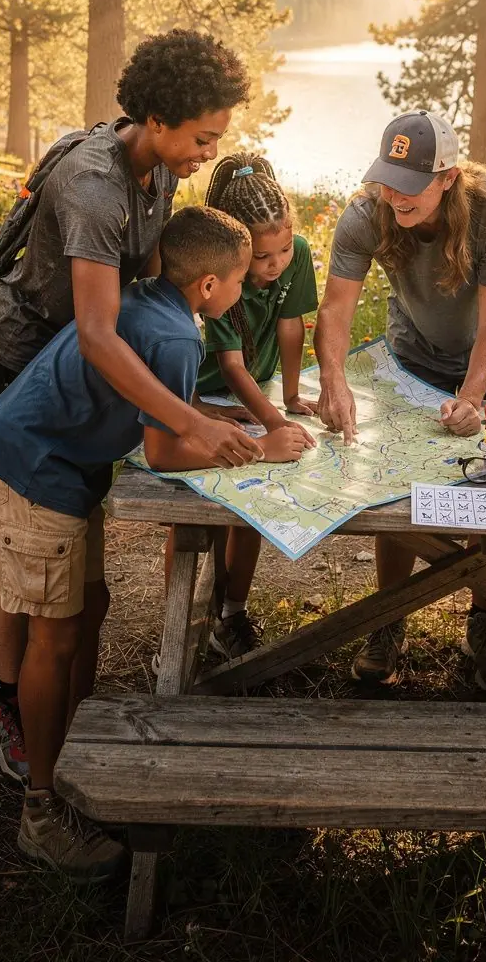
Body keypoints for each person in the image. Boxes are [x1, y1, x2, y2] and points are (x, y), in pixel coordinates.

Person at [0, 29, 263, 783]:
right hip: (25, 351)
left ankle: (56, 694)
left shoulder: (157, 167)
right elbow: (100, 334)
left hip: (75, 356)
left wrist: (194, 393)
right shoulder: (95, 187)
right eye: (203, 138)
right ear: (157, 120)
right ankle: (11, 703)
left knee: (68, 533)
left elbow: (157, 288)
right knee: (28, 531)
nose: (209, 154)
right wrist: (191, 422)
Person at [0, 206, 260, 879]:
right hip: (35, 468)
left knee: (89, 608)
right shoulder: (180, 339)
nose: (243, 290)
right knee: (55, 637)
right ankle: (41, 811)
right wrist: (261, 449)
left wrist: (214, 416)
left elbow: (156, 399)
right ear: (209, 286)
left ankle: (70, 751)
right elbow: (162, 452)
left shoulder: (148, 299)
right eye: (240, 279)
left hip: (65, 466)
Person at [314, 111, 486, 692]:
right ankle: (389, 619)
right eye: (388, 179)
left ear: (448, 178)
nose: (395, 195)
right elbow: (335, 308)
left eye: (410, 184)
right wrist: (333, 378)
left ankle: (484, 620)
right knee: (398, 481)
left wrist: (472, 398)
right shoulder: (366, 213)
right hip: (414, 353)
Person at [190, 153, 320, 658]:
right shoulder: (222, 269)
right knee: (197, 513)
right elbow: (230, 365)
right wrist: (275, 423)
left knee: (249, 510)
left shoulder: (298, 254)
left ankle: (232, 613)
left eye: (284, 249)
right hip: (205, 394)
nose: (276, 265)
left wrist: (289, 396)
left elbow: (291, 327)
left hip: (257, 392)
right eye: (263, 258)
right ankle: (187, 623)